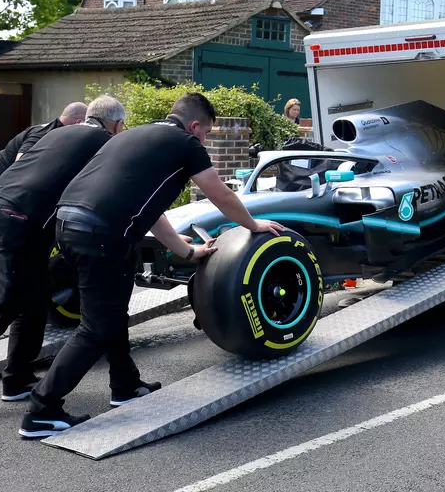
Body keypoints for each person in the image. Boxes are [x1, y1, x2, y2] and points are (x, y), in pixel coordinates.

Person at [18, 91, 284, 438]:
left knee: (111, 313)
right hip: (100, 232)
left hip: (68, 223)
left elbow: (149, 208)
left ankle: (125, 386)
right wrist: (254, 225)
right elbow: (219, 193)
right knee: (97, 326)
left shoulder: (134, 134)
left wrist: (186, 252)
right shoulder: (186, 143)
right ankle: (41, 410)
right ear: (193, 126)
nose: (204, 139)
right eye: (205, 132)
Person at [0, 96, 127, 419]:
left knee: (35, 299)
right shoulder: (102, 141)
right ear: (114, 124)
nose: (121, 131)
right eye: (122, 126)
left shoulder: (57, 132)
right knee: (2, 304)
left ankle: (17, 378)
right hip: (22, 218)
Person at [0, 102, 88, 352]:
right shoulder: (43, 134)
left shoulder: (55, 134)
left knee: (12, 274)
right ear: (79, 123)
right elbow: (21, 167)